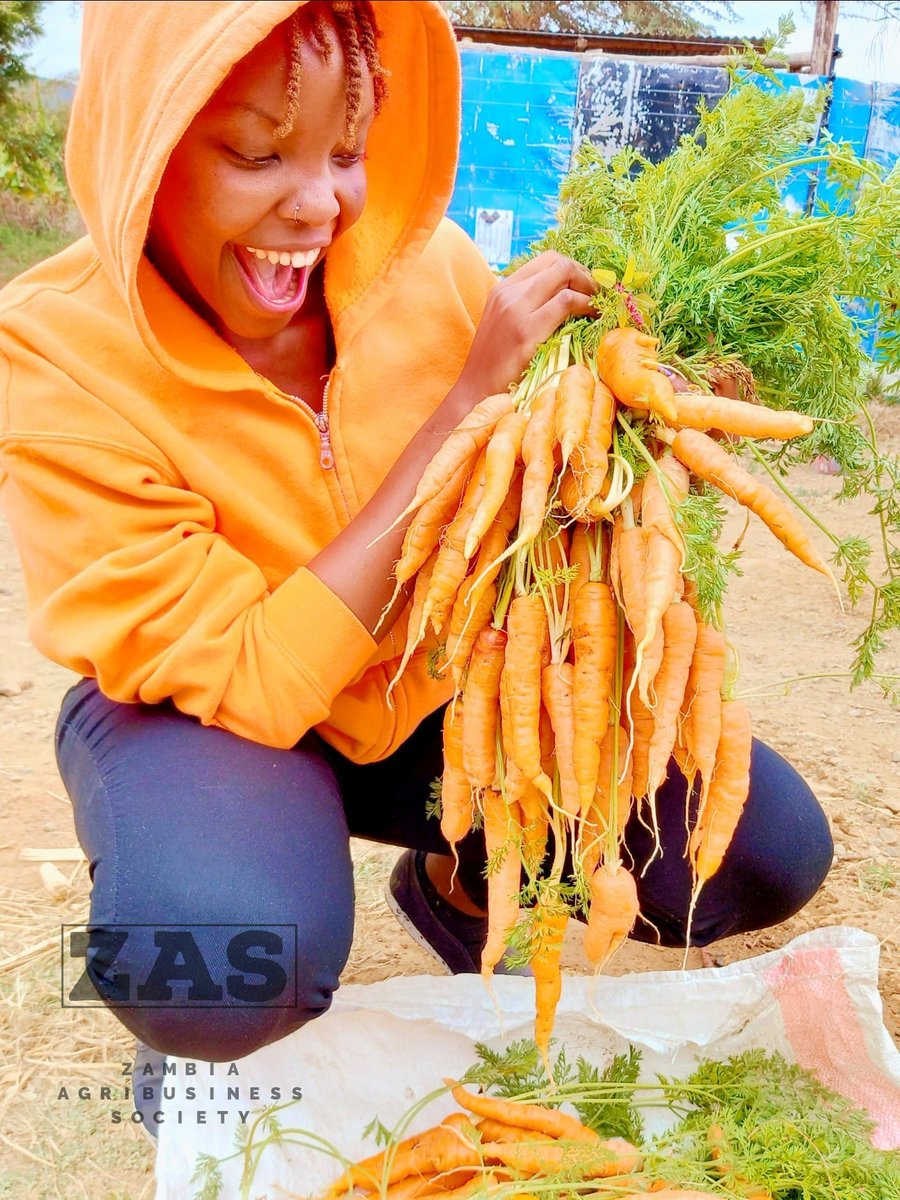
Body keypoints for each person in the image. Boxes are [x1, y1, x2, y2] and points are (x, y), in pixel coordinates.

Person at [0, 0, 832, 1078]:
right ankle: (205, 992)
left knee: (762, 853)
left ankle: (461, 882)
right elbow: (252, 675)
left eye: (346, 152)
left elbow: (529, 475)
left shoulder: (420, 265)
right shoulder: (53, 349)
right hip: (206, 718)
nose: (319, 204)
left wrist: (627, 416)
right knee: (206, 960)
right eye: (258, 154)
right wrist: (459, 410)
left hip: (429, 696)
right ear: (140, 148)